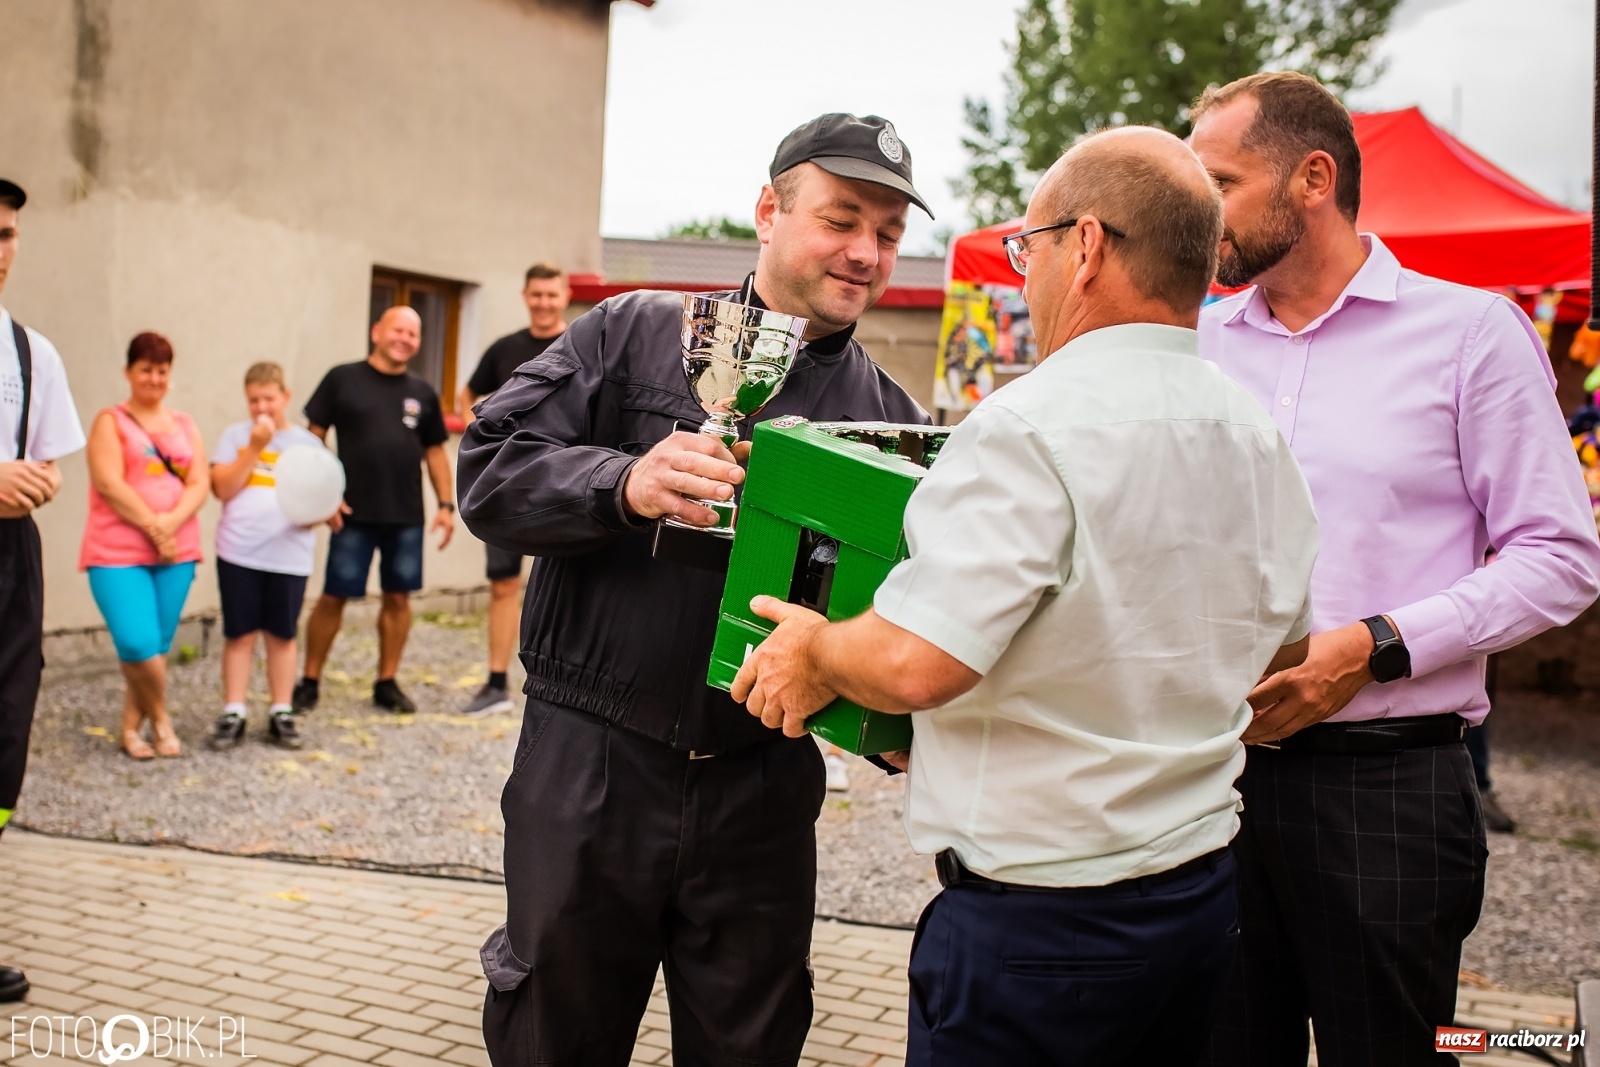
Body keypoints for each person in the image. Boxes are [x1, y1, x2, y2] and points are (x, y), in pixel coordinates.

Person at [731, 127, 1321, 1067]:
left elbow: (918, 661)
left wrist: (816, 646)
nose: (1024, 276)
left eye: (1030, 247)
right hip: (1199, 894)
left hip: (1045, 932)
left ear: (1085, 247)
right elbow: (1285, 651)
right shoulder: (1251, 430)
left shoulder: (1027, 426)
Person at [459, 112, 931, 1067]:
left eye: (887, 233)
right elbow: (489, 471)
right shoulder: (635, 332)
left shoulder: (891, 422)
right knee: (552, 1035)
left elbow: (907, 615)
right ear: (768, 209)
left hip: (762, 787)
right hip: (590, 767)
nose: (866, 252)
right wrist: (621, 482)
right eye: (842, 219)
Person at [1189, 72, 1600, 1066]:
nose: (1197, 215)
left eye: (1219, 183)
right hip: (1208, 778)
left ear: (1310, 179)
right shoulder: (1192, 339)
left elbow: (1561, 558)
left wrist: (1374, 647)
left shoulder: (1469, 334)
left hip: (1386, 789)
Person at [0, 177, 87, 1004]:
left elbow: (53, 458)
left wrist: (39, 482)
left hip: (9, 560)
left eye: (7, 233)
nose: (0, 249)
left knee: (2, 739)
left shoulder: (33, 350)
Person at [294, 306, 454, 715]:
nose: (405, 339)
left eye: (414, 334)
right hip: (352, 514)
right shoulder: (342, 378)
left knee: (398, 600)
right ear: (377, 332)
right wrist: (322, 497)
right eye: (398, 330)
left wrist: (446, 505)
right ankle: (309, 680)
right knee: (333, 597)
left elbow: (435, 452)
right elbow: (312, 441)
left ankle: (387, 682)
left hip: (405, 516)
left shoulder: (422, 392)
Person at [81, 331, 209, 759]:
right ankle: (161, 719)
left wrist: (169, 525)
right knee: (136, 643)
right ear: (128, 372)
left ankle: (130, 730)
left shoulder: (185, 425)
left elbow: (199, 483)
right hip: (117, 554)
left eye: (161, 371)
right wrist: (156, 528)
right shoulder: (110, 421)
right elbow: (108, 482)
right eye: (145, 370)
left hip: (177, 554)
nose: (154, 378)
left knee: (154, 647)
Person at [454, 263, 570, 717]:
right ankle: (496, 683)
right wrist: (484, 440)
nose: (543, 302)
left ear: (564, 297)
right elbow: (470, 393)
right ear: (525, 296)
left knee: (564, 584)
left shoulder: (582, 341)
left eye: (551, 295)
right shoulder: (505, 349)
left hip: (563, 482)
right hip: (510, 485)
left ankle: (554, 683)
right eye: (536, 294)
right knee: (503, 586)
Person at [207, 361, 324, 750]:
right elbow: (222, 488)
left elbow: (322, 496)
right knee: (239, 634)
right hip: (239, 551)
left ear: (285, 398)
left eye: (268, 399)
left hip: (289, 556)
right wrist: (255, 446)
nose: (261, 408)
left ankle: (281, 710)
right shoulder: (235, 437)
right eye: (253, 400)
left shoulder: (308, 445)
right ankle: (234, 709)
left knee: (282, 634)